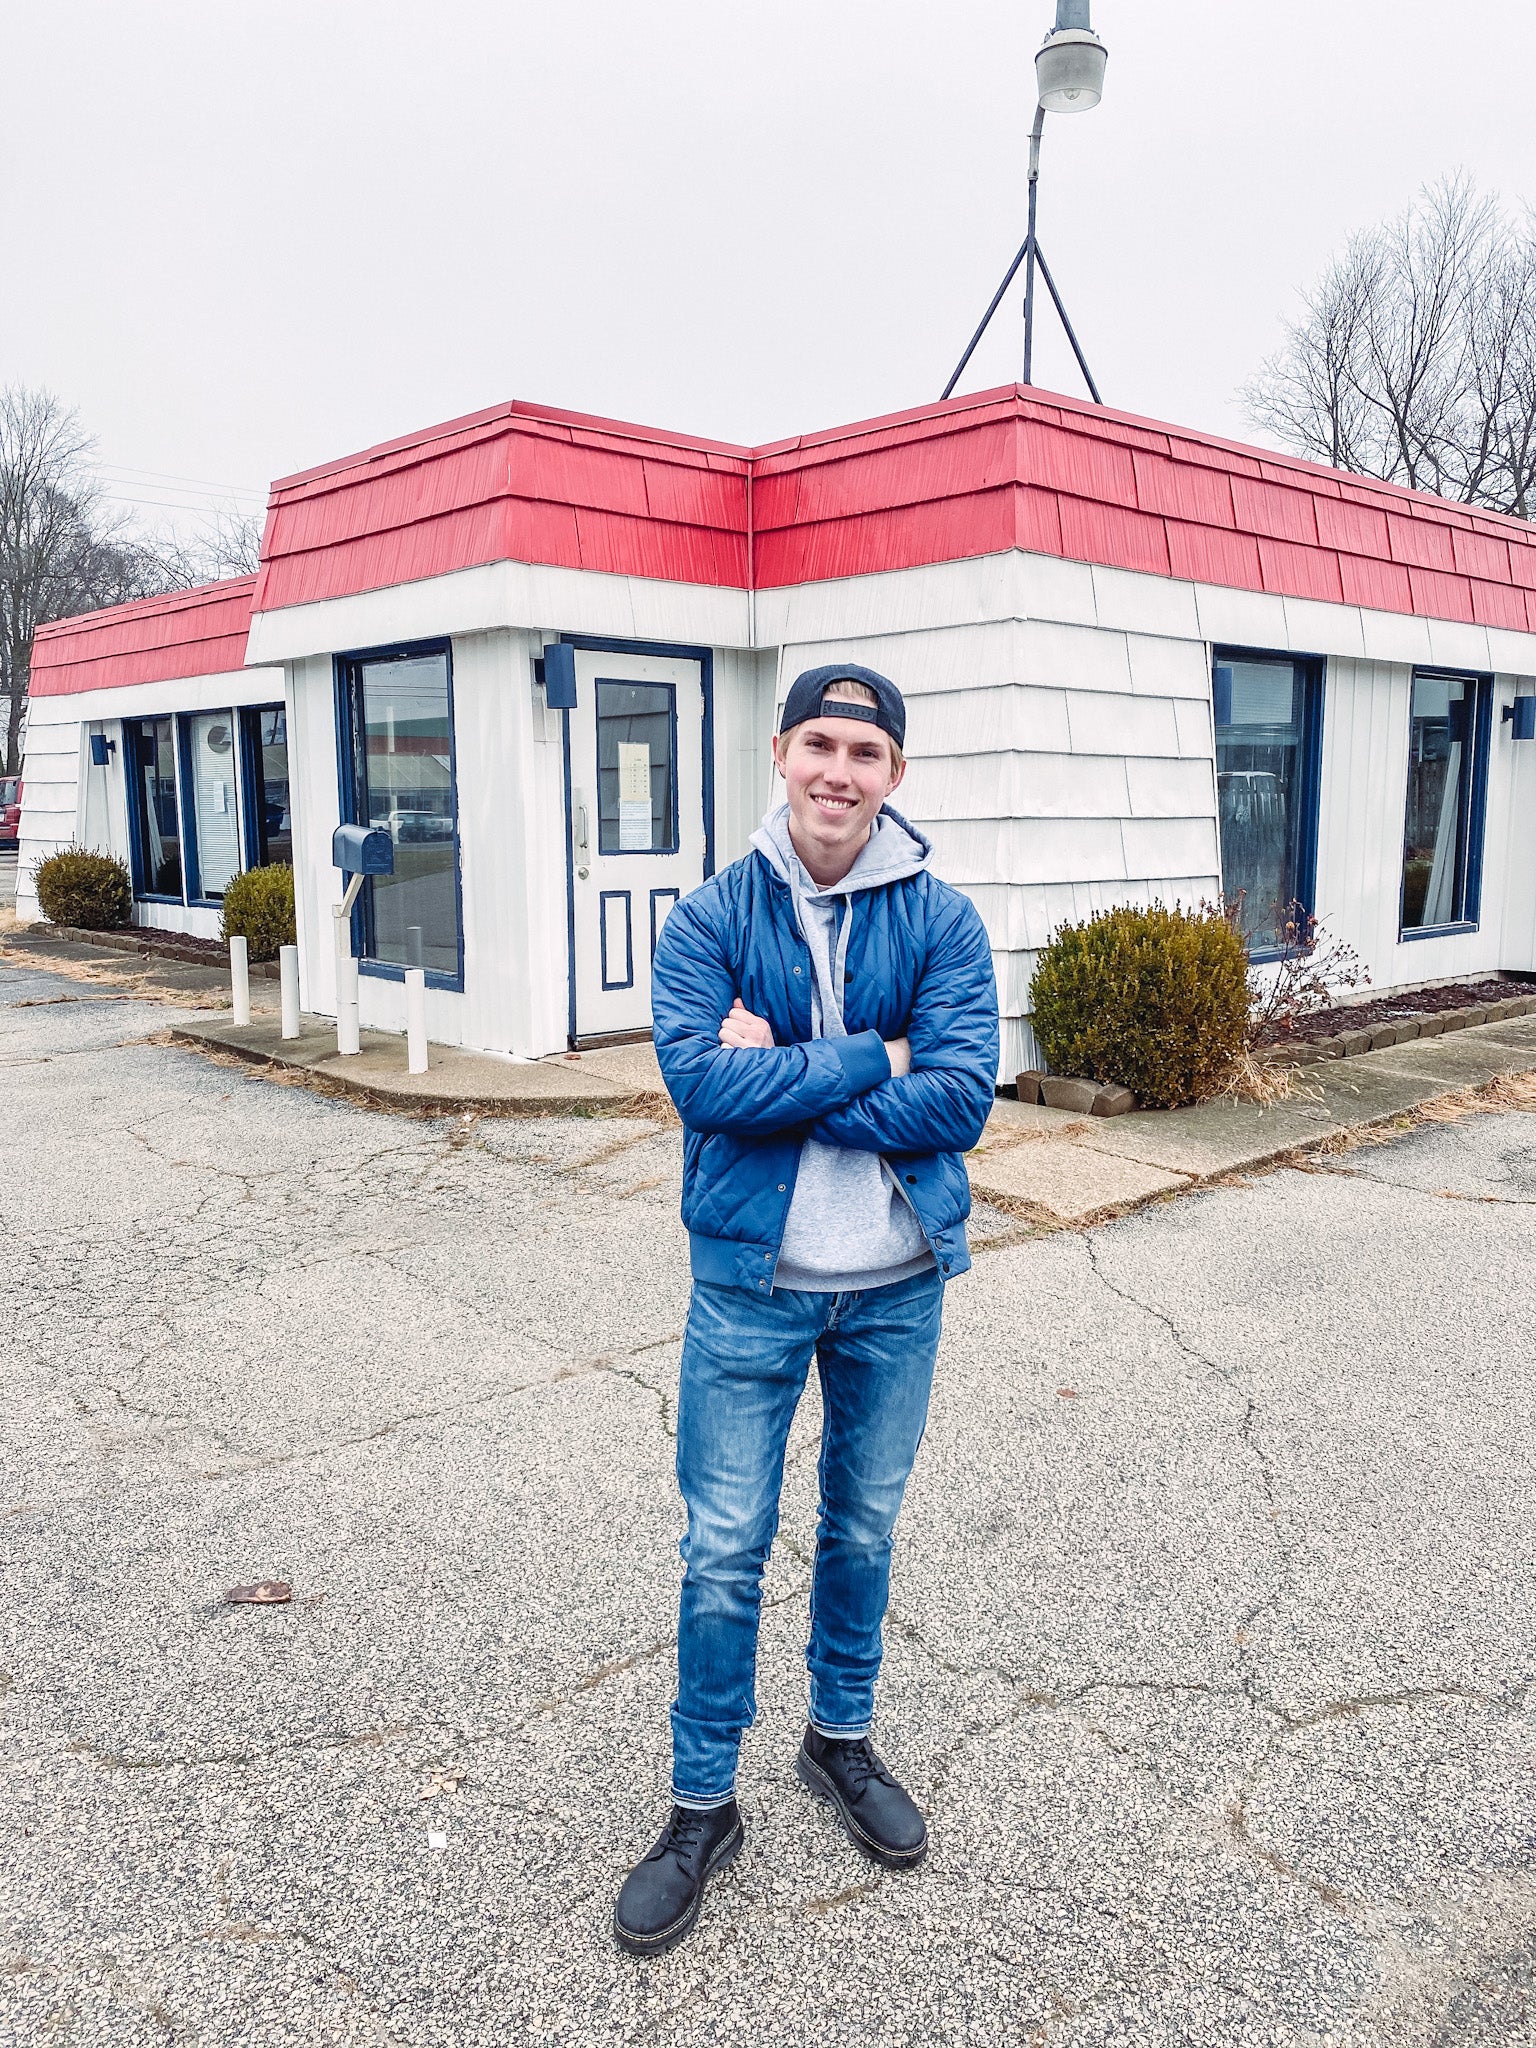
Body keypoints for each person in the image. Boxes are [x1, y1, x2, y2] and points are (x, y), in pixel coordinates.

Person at [613, 663, 999, 1958]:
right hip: (750, 1284)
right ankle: (699, 1804)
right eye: (820, 744)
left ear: (895, 775)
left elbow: (959, 1099)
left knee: (864, 1526)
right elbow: (696, 1082)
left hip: (894, 1285)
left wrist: (775, 1066)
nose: (840, 772)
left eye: (867, 753)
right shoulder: (710, 918)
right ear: (780, 752)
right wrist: (866, 1057)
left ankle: (837, 1739)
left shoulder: (942, 923)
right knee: (725, 1545)